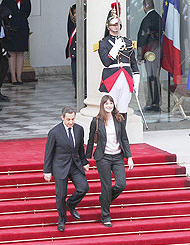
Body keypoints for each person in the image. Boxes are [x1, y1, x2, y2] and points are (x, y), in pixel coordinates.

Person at [86, 95, 134, 227]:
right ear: (102, 105)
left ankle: (104, 200)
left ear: (114, 105)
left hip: (118, 156)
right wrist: (86, 159)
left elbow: (124, 138)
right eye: (106, 103)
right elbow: (90, 140)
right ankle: (105, 215)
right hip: (103, 157)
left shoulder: (119, 119)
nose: (109, 105)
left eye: (111, 103)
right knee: (106, 187)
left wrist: (129, 157)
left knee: (121, 184)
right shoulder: (96, 121)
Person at [43, 106, 90, 232]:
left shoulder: (79, 129)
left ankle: (71, 204)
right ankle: (62, 219)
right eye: (68, 119)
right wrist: (47, 171)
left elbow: (80, 148)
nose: (71, 122)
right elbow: (49, 152)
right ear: (62, 118)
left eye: (73, 119)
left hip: (75, 165)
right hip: (60, 167)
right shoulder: (54, 132)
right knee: (61, 195)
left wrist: (84, 162)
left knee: (83, 187)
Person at [96, 3, 140, 121]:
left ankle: (122, 137)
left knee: (123, 108)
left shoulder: (128, 42)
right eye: (113, 24)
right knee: (111, 107)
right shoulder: (103, 43)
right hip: (112, 77)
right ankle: (111, 134)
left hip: (126, 76)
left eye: (118, 24)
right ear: (108, 26)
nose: (116, 26)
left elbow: (133, 63)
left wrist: (136, 80)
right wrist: (116, 47)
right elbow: (106, 62)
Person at [137, 0, 163, 112]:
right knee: (155, 77)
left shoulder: (147, 19)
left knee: (151, 77)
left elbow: (143, 39)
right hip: (158, 51)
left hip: (150, 52)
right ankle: (156, 101)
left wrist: (139, 55)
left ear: (145, 6)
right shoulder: (158, 17)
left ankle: (153, 104)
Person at [1, 0, 31, 85]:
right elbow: (3, 12)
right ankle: (13, 77)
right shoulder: (7, 1)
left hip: (22, 29)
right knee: (12, 53)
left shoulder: (26, 1)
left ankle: (19, 77)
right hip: (11, 29)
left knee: (21, 53)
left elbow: (27, 12)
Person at [66, 4, 77, 99]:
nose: (75, 15)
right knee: (74, 74)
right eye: (74, 13)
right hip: (74, 53)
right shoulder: (73, 25)